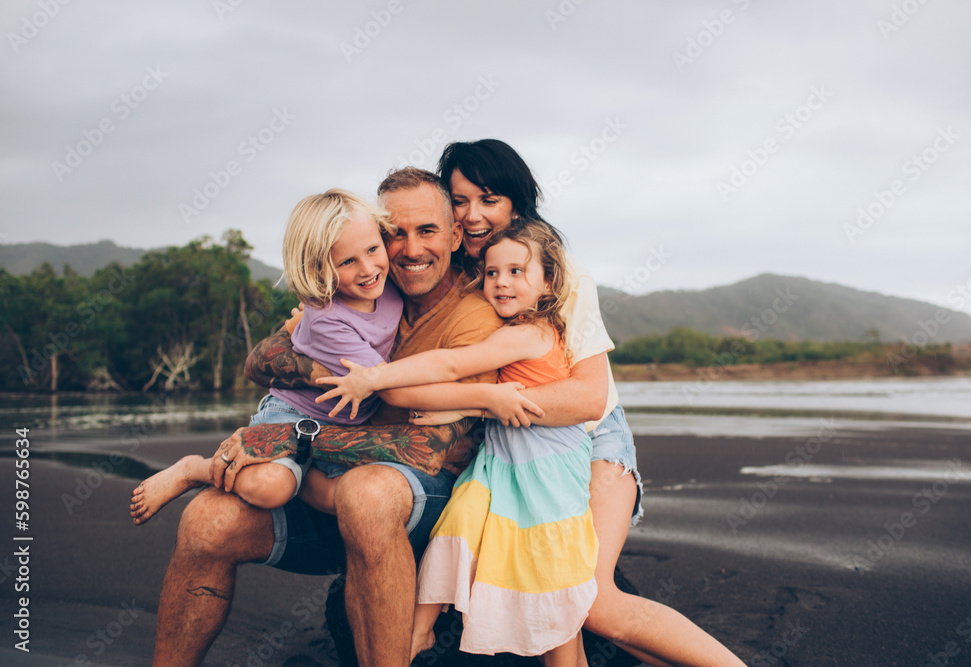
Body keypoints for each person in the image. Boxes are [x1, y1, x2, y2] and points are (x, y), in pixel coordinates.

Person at [146, 168, 545, 667]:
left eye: (427, 231)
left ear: (456, 234)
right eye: (394, 233)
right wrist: (284, 427)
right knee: (207, 519)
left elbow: (432, 445)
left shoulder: (479, 316)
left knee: (366, 496)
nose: (408, 248)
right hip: (331, 477)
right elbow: (266, 357)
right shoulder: (362, 291)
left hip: (420, 494)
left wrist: (283, 441)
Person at [437, 139, 746, 666]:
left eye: (488, 199)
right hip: (512, 455)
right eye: (460, 200)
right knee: (553, 606)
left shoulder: (559, 275)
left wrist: (479, 400)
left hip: (592, 438)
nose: (471, 215)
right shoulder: (462, 274)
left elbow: (587, 398)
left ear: (515, 202)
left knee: (593, 603)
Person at [317, 221, 599, 665]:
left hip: (543, 465)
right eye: (491, 272)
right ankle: (420, 631)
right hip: (504, 460)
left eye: (517, 272)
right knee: (460, 525)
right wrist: (464, 409)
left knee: (549, 582)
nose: (501, 282)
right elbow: (499, 398)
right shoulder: (522, 329)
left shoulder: (528, 333)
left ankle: (420, 631)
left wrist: (374, 377)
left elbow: (451, 365)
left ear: (548, 282)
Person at [129, 189, 404, 526]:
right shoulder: (327, 318)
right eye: (347, 261)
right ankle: (194, 469)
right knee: (270, 488)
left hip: (340, 427)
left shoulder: (391, 286)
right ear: (320, 270)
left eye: (373, 249)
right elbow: (388, 380)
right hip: (292, 416)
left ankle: (300, 475)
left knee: (343, 500)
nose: (368, 268)